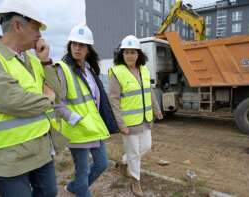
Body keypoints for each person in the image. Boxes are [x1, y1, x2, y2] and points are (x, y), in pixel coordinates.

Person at [0, 0, 58, 196]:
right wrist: (48, 100)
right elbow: (12, 101)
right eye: (36, 28)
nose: (40, 35)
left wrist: (46, 62)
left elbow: (57, 90)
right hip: (8, 156)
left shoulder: (33, 60)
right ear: (18, 26)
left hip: (40, 148)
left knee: (49, 193)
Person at [44, 23, 119, 197]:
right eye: (74, 44)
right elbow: (55, 101)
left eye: (82, 45)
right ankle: (81, 191)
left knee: (102, 164)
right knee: (83, 172)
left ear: (88, 49)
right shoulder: (62, 69)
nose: (77, 48)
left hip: (92, 127)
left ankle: (74, 188)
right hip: (78, 129)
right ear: (70, 45)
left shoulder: (89, 69)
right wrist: (74, 118)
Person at [108, 35, 163, 196]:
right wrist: (121, 124)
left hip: (145, 119)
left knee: (146, 147)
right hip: (128, 122)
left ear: (138, 54)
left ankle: (124, 162)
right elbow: (114, 100)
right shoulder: (116, 72)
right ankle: (135, 181)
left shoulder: (144, 70)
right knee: (133, 153)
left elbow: (149, 91)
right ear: (122, 54)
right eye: (126, 52)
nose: (130, 55)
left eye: (133, 52)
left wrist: (157, 109)